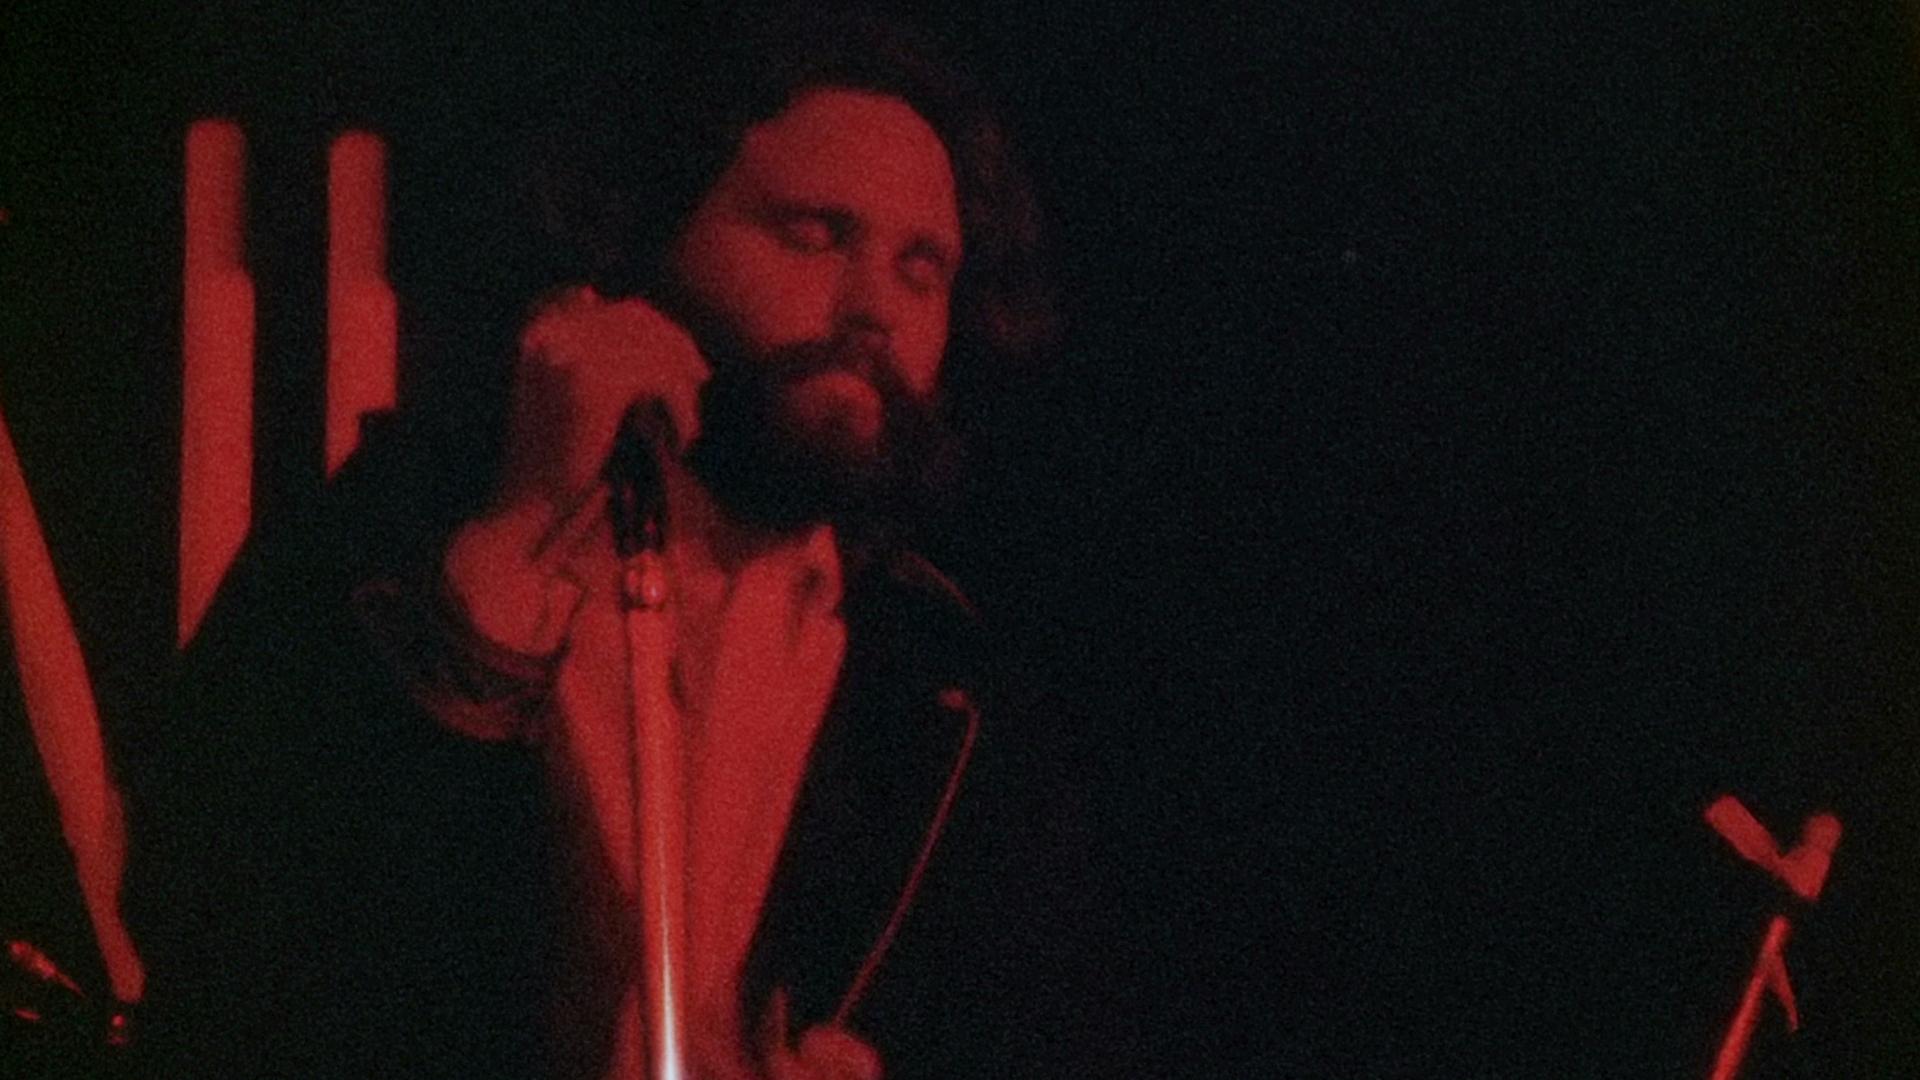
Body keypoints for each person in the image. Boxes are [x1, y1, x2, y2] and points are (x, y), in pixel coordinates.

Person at [124, 8, 1054, 1079]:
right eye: (814, 234)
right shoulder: (400, 529)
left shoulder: (945, 687)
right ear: (649, 233)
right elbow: (207, 912)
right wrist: (504, 562)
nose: (872, 309)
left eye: (921, 267)